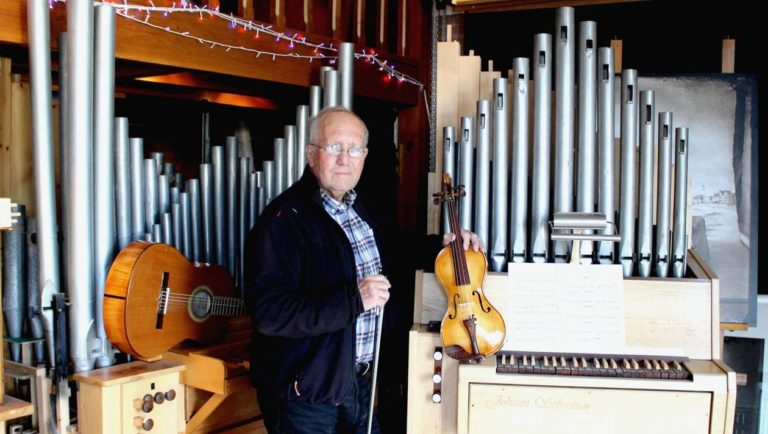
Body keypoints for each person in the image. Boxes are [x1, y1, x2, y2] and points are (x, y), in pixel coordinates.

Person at [245, 106, 482, 434]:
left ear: (365, 155)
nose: (345, 158)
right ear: (311, 154)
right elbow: (270, 313)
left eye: (354, 149)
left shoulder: (363, 206)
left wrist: (445, 247)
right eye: (334, 147)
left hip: (359, 383)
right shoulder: (283, 220)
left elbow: (397, 251)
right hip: (305, 394)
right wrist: (354, 299)